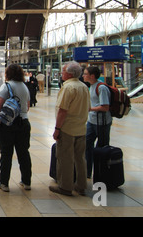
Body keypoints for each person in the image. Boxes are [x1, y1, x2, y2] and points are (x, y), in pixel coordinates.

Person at [49, 61, 90, 196]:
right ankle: (81, 185)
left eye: (63, 71)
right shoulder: (84, 87)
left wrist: (57, 129)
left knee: (65, 157)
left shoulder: (68, 87)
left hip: (67, 129)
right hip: (81, 128)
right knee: (80, 158)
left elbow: (63, 110)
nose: (61, 73)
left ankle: (65, 186)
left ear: (69, 73)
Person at [0, 64, 32, 192]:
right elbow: (27, 106)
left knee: (6, 153)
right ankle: (26, 182)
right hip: (24, 122)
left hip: (8, 124)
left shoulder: (7, 86)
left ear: (8, 74)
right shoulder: (24, 87)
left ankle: (4, 183)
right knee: (23, 153)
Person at [83, 66, 112, 178]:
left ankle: (101, 172)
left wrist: (90, 109)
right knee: (87, 145)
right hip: (92, 121)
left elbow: (105, 107)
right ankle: (87, 171)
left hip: (102, 122)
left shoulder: (101, 88)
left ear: (92, 76)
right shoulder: (91, 86)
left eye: (85, 74)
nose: (83, 76)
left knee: (101, 147)